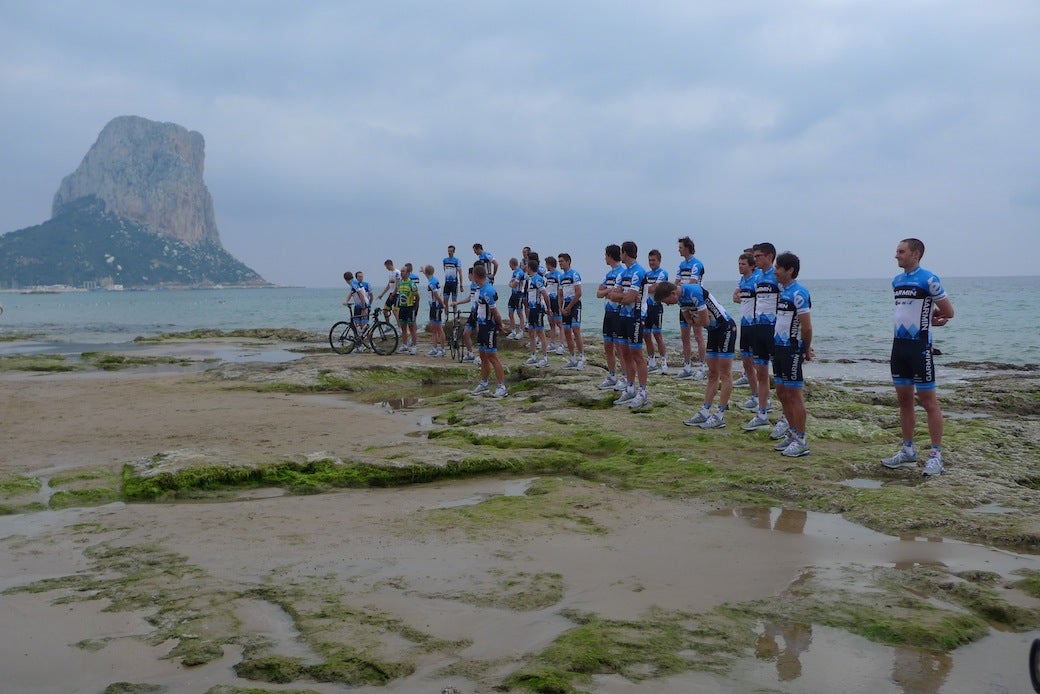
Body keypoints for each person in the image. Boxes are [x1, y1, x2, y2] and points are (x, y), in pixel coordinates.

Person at [882, 238, 954, 476]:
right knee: (904, 401)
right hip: (898, 347)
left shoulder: (929, 279)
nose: (896, 255)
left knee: (928, 401)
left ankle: (936, 455)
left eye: (901, 251)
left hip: (920, 347)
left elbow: (949, 311)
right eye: (897, 251)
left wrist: (933, 319)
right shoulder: (897, 281)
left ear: (916, 253)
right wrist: (929, 315)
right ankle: (908, 451)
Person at [655, 280, 737, 428]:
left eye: (666, 301)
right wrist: (697, 319)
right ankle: (705, 412)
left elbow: (704, 321)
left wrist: (696, 320)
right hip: (713, 332)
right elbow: (690, 320)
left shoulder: (694, 291)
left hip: (726, 329)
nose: (667, 305)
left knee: (725, 374)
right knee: (712, 373)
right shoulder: (680, 300)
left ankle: (719, 415)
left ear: (673, 293)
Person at [768, 252, 813, 456]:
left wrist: (805, 349)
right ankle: (792, 432)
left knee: (795, 395)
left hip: (792, 350)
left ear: (790, 270)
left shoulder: (799, 293)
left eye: (778, 268)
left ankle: (801, 440)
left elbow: (807, 327)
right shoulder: (782, 291)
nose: (775, 271)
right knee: (781, 391)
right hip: (778, 348)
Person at [742, 242, 779, 432]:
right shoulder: (758, 278)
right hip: (757, 329)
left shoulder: (777, 276)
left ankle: (785, 418)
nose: (755, 259)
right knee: (762, 374)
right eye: (754, 257)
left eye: (758, 256)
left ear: (770, 256)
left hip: (774, 331)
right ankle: (762, 413)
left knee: (780, 378)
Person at [609, 241, 650, 409]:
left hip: (635, 316)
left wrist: (621, 297)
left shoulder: (639, 272)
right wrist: (621, 297)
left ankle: (642, 392)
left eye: (621, 252)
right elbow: (613, 294)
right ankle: (630, 388)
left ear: (625, 253)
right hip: (623, 315)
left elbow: (628, 298)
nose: (620, 255)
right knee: (624, 353)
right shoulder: (624, 273)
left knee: (637, 355)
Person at [470, 263, 509, 398]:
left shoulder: (488, 290)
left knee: (492, 356)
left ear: (475, 276)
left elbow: (495, 311)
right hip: (481, 326)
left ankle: (502, 386)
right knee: (482, 355)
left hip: (489, 327)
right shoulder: (479, 289)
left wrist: (501, 324)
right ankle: (484, 383)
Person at [676, 236, 707, 380]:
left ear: (687, 248)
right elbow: (675, 283)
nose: (679, 249)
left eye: (681, 247)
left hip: (695, 304)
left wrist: (679, 288)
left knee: (698, 336)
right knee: (684, 337)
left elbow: (693, 283)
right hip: (683, 303)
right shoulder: (682, 265)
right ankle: (687, 366)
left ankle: (702, 367)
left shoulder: (697, 264)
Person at [733, 250, 761, 405]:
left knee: (757, 363)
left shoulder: (757, 279)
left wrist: (742, 297)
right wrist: (739, 297)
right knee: (746, 361)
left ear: (752, 266)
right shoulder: (742, 280)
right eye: (739, 264)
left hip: (755, 324)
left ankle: (763, 398)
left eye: (743, 264)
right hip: (744, 324)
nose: (740, 267)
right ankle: (754, 396)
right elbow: (735, 297)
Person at [596, 244, 625, 390]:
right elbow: (599, 294)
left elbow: (617, 295)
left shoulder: (622, 272)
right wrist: (608, 290)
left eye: (606, 255)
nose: (604, 258)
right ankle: (612, 375)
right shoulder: (609, 275)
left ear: (610, 256)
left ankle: (625, 376)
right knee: (607, 345)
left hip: (618, 314)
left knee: (620, 347)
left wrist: (608, 292)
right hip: (608, 313)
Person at [643, 249, 670, 375]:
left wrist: (647, 288)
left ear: (659, 260)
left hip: (657, 307)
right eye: (649, 260)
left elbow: (656, 288)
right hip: (646, 308)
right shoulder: (646, 274)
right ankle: (652, 362)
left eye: (653, 260)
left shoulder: (663, 273)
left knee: (657, 335)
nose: (651, 262)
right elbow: (646, 288)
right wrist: (649, 287)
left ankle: (663, 362)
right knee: (646, 335)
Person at [557, 252, 586, 370]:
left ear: (568, 261)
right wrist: (561, 308)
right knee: (567, 331)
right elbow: (560, 294)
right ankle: (572, 358)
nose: (560, 264)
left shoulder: (574, 274)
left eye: (562, 261)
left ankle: (582, 357)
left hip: (575, 305)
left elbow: (579, 292)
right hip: (565, 305)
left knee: (576, 329)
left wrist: (569, 307)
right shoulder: (561, 277)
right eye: (559, 262)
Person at [522, 257, 551, 368]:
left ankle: (545, 358)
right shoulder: (530, 279)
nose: (526, 269)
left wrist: (548, 309)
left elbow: (545, 294)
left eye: (527, 267)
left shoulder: (537, 279)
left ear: (530, 268)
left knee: (540, 333)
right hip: (531, 309)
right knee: (531, 332)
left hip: (538, 309)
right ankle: (533, 356)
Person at [456, 265, 480, 364]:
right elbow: (470, 298)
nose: (468, 277)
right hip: (473, 313)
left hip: (479, 313)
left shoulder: (479, 285)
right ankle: (470, 353)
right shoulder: (472, 286)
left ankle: (480, 355)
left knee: (480, 334)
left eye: (468, 275)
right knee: (466, 333)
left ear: (472, 274)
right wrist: (458, 303)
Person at [396, 262, 420, 354]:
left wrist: (415, 307)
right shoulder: (400, 283)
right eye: (401, 271)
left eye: (403, 271)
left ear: (407, 273)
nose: (401, 273)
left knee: (412, 327)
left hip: (410, 308)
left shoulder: (411, 284)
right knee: (403, 327)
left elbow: (417, 296)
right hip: (402, 308)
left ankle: (414, 346)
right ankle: (405, 345)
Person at [422, 264, 446, 357]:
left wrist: (443, 304)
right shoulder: (432, 279)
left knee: (439, 328)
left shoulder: (432, 282)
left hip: (436, 307)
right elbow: (428, 276)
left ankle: (442, 349)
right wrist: (423, 271)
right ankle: (435, 348)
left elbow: (436, 295)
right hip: (432, 307)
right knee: (433, 328)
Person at [544, 255, 564, 355]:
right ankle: (552, 344)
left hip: (556, 300)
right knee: (551, 323)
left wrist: (561, 304)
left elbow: (561, 291)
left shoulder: (558, 275)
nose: (546, 266)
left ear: (549, 264)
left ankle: (561, 345)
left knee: (559, 324)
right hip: (549, 301)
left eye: (547, 264)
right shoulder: (547, 275)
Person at [376, 259, 401, 323]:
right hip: (391, 293)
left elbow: (398, 285)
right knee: (385, 310)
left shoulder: (397, 272)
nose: (386, 268)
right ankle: (388, 325)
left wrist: (393, 294)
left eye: (386, 266)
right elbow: (389, 285)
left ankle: (400, 328)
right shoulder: (390, 273)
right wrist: (382, 294)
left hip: (397, 294)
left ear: (389, 265)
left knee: (395, 312)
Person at [506, 257, 525, 339]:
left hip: (519, 294)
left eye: (509, 265)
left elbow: (513, 284)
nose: (509, 267)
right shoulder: (514, 272)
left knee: (519, 313)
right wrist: (511, 284)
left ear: (512, 264)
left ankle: (521, 331)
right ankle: (513, 331)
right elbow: (511, 282)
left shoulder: (520, 272)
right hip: (513, 295)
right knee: (510, 313)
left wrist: (510, 284)